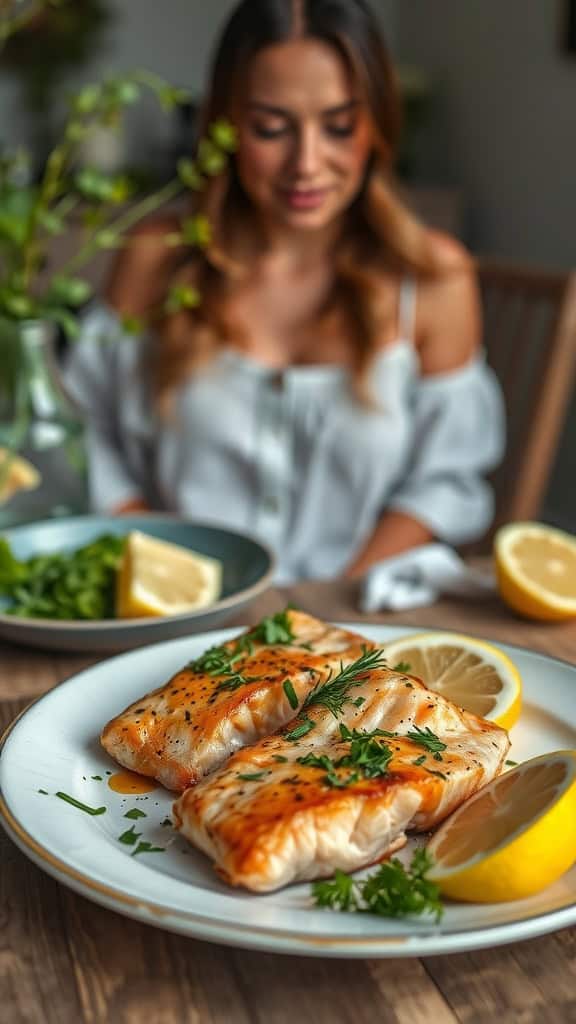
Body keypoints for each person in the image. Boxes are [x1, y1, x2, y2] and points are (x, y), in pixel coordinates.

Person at [64, 0, 505, 583]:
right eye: (271, 128)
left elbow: (444, 480)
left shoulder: (434, 278)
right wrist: (169, 568)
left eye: (340, 126)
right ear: (223, 125)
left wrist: (327, 608)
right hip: (179, 615)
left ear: (377, 123)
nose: (307, 163)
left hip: (355, 620)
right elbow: (78, 435)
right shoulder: (156, 256)